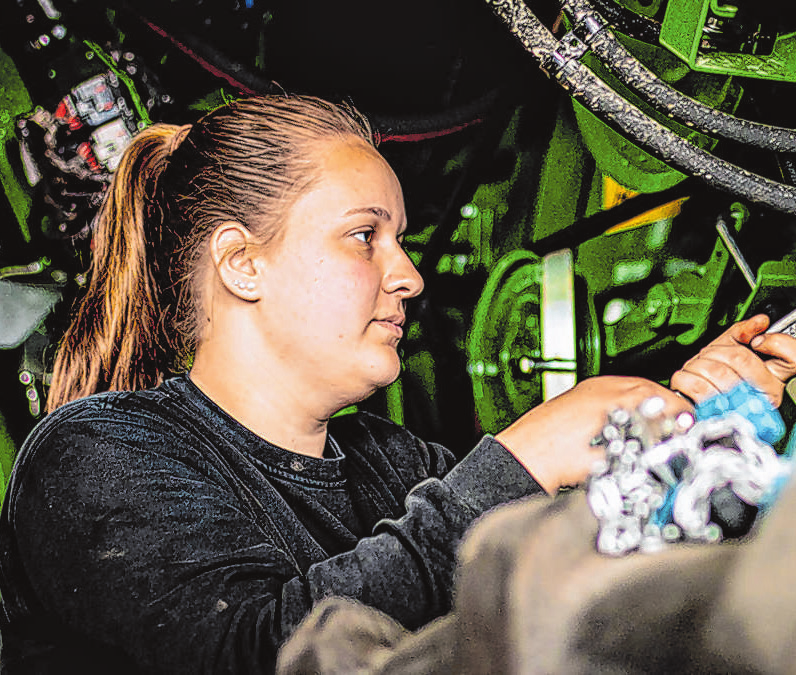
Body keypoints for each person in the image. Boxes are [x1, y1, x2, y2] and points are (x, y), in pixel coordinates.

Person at [0, 94, 793, 674]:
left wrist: (688, 433)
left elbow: (551, 598)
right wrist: (520, 460)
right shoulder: (94, 453)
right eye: (363, 236)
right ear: (243, 263)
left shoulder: (395, 461)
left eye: (400, 241)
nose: (408, 275)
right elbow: (257, 652)